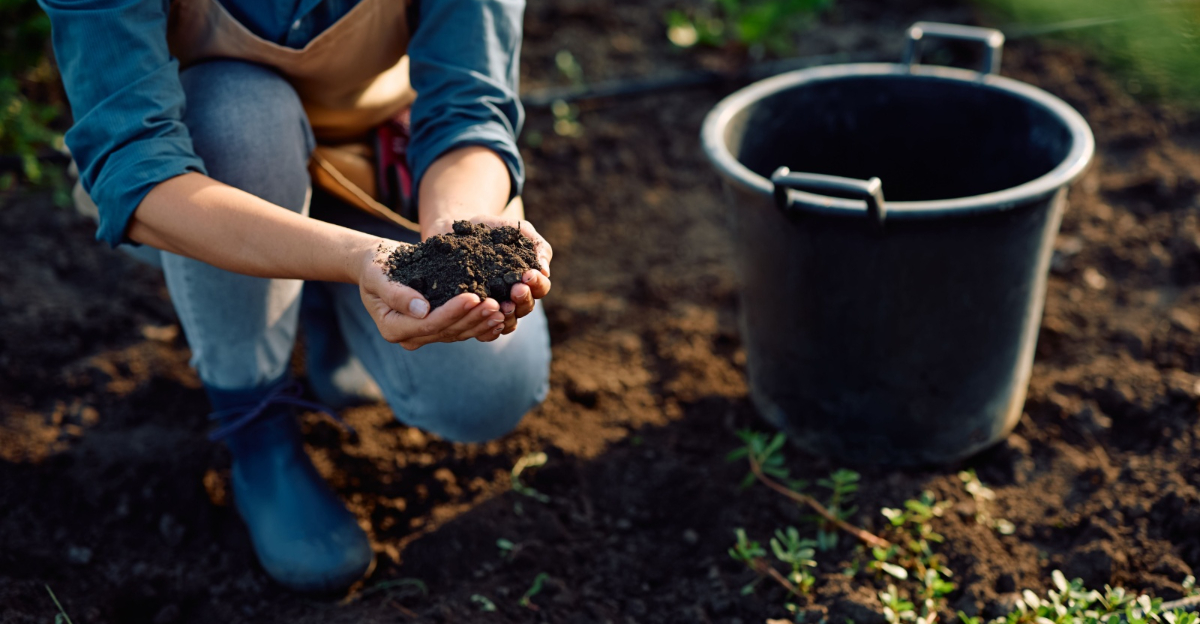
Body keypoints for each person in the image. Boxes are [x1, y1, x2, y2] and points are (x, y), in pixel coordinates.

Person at [39, 0, 552, 592]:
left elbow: (469, 109)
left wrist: (455, 240)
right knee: (239, 113)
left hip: (366, 162)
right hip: (212, 173)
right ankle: (256, 429)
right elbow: (135, 165)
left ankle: (321, 313)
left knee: (485, 390)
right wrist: (354, 258)